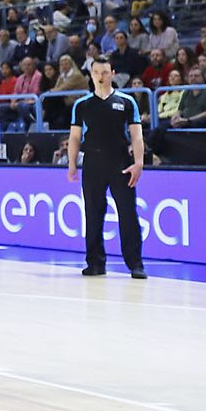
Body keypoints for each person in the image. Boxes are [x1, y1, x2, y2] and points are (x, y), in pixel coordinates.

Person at [67, 58, 147, 279]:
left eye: (104, 72)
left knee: (128, 214)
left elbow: (136, 135)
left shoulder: (126, 101)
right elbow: (75, 137)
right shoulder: (82, 104)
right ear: (91, 75)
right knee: (93, 214)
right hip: (93, 163)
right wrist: (72, 164)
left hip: (120, 163)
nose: (100, 76)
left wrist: (139, 162)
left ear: (112, 73)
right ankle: (95, 263)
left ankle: (136, 264)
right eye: (96, 72)